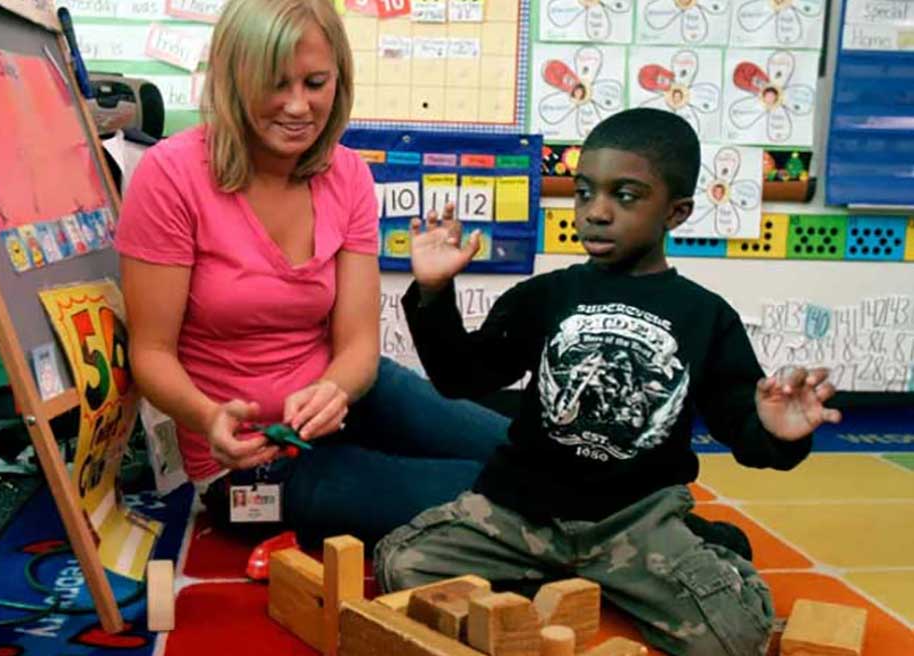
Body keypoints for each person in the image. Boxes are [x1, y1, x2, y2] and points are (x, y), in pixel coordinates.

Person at [374, 108, 841, 655]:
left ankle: (704, 547)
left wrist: (775, 430)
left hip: (635, 522)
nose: (595, 212)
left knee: (734, 637)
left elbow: (741, 424)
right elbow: (462, 377)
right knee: (401, 565)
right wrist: (433, 294)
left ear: (677, 211)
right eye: (583, 192)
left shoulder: (705, 316)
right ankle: (567, 576)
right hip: (521, 512)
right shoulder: (545, 296)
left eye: (625, 195)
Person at [115, 0, 508, 548]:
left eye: (316, 82)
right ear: (234, 79)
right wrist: (208, 418)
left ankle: (650, 503)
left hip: (348, 399)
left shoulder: (346, 174)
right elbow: (151, 354)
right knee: (499, 495)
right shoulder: (170, 175)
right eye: (276, 85)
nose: (299, 106)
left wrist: (332, 389)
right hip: (249, 458)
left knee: (527, 454)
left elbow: (359, 347)